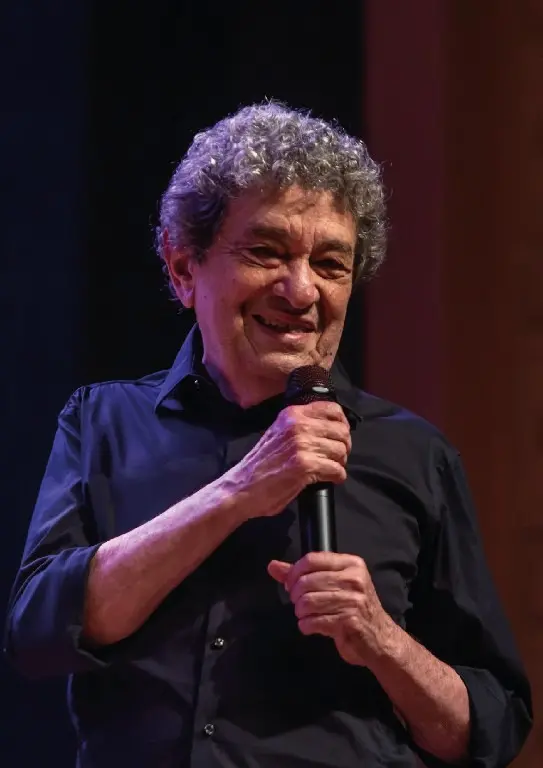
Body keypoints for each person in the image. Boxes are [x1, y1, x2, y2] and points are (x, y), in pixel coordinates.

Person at [5, 102, 532, 768]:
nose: (300, 289)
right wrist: (240, 490)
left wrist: (379, 638)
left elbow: (488, 735)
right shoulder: (102, 422)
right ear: (183, 269)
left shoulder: (415, 455)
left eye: (331, 264)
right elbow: (41, 634)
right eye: (266, 251)